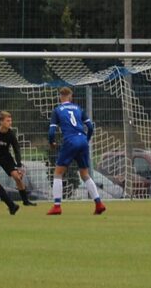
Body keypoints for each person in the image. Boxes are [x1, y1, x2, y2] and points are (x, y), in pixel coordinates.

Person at [46, 87, 106, 215]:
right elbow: (90, 126)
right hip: (83, 141)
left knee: (58, 172)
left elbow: (51, 132)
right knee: (85, 174)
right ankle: (99, 203)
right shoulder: (78, 108)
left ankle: (57, 206)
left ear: (60, 97)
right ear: (71, 96)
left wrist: (51, 142)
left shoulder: (57, 110)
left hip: (70, 141)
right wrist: (86, 139)